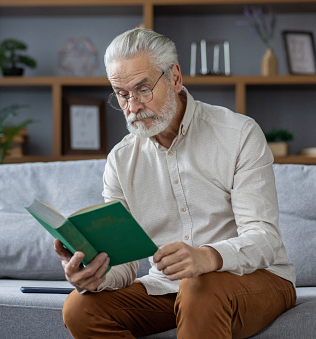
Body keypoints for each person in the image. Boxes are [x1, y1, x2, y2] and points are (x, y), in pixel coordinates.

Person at [54, 27, 296, 339]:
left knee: (199, 288)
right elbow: (125, 264)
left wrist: (205, 257)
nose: (132, 107)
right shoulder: (120, 160)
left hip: (255, 278)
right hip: (170, 288)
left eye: (143, 90)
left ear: (175, 78)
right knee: (79, 309)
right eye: (122, 94)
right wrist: (94, 275)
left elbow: (264, 238)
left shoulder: (239, 134)